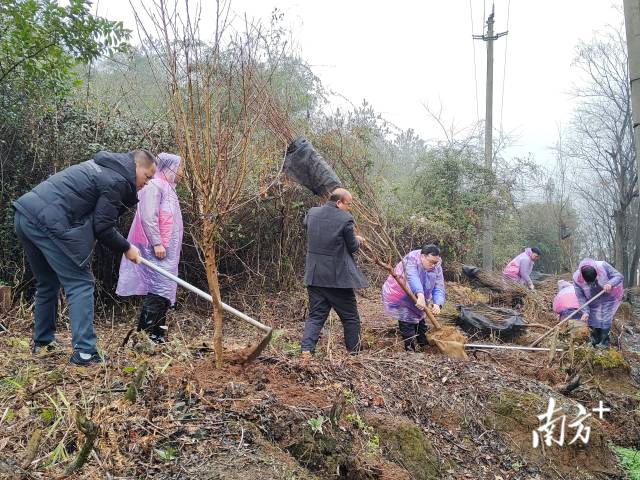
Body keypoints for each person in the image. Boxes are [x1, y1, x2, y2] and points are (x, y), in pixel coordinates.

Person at [13, 150, 156, 365]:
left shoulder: (103, 168)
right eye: (147, 176)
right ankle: (85, 353)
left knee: (48, 282)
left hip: (25, 215)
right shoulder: (116, 180)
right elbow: (103, 227)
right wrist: (127, 247)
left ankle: (43, 343)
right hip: (47, 221)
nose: (148, 182)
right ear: (136, 167)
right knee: (81, 283)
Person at [116, 153, 183, 343]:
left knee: (165, 291)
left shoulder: (169, 188)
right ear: (170, 167)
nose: (182, 173)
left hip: (167, 251)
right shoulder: (154, 186)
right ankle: (144, 336)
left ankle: (157, 335)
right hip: (155, 249)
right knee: (158, 289)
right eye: (180, 168)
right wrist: (157, 243)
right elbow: (148, 216)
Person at [300, 188, 368, 358]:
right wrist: (358, 240)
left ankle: (306, 350)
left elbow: (308, 225)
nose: (349, 208)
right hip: (337, 279)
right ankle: (354, 354)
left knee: (316, 316)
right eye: (348, 204)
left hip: (315, 276)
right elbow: (352, 247)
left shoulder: (312, 212)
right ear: (339, 202)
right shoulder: (345, 219)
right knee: (350, 318)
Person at [382, 244, 445, 352]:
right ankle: (410, 350)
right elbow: (412, 277)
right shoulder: (411, 259)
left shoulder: (436, 265)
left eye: (436, 262)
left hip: (418, 296)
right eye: (431, 262)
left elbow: (439, 285)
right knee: (407, 321)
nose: (433, 265)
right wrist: (420, 294)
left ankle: (424, 345)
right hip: (401, 294)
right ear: (422, 256)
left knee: (420, 320)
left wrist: (438, 303)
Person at [573, 258, 623, 348]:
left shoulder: (603, 265)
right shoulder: (576, 278)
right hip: (592, 298)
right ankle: (595, 339)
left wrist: (610, 283)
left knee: (605, 317)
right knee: (592, 318)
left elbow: (619, 276)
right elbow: (581, 297)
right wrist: (585, 311)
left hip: (608, 296)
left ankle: (604, 342)